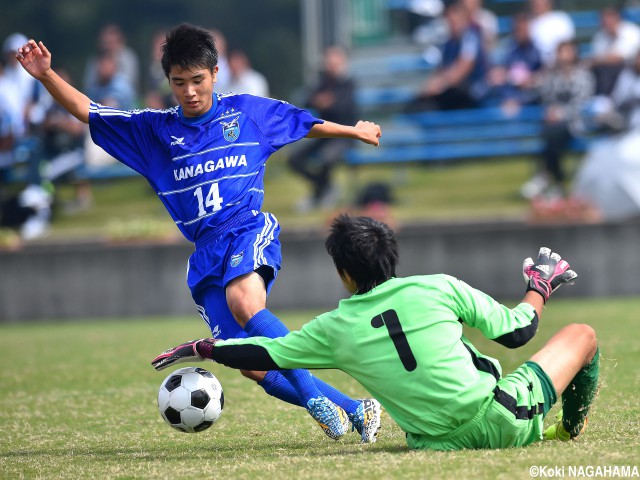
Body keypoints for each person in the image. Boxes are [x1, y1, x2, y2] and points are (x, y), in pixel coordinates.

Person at [16, 23, 382, 441]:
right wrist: (46, 75)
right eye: (178, 83)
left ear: (214, 73)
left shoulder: (246, 113)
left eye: (197, 80)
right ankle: (355, 409)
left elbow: (303, 122)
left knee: (244, 301)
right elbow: (89, 111)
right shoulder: (152, 132)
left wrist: (354, 130)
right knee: (251, 362)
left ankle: (319, 405)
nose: (189, 91)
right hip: (206, 251)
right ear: (167, 81)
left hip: (246, 228)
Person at [152, 214, 599, 450]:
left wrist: (205, 347)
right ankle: (566, 432)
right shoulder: (439, 286)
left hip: (434, 446)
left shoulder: (335, 327)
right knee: (583, 334)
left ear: (344, 273)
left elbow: (265, 354)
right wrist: (539, 285)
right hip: (504, 417)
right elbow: (518, 332)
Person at [521, 41, 594, 200]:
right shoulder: (552, 76)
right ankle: (557, 184)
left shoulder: (583, 75)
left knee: (550, 136)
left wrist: (561, 113)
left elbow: (581, 103)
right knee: (551, 136)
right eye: (561, 52)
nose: (563, 55)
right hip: (554, 126)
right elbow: (545, 97)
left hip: (575, 124)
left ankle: (547, 178)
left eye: (567, 51)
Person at [288, 46, 356, 211]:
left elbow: (344, 109)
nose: (330, 63)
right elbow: (307, 101)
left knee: (325, 159)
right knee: (294, 159)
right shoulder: (322, 82)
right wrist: (320, 101)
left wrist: (328, 103)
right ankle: (325, 188)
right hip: (324, 134)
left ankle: (321, 194)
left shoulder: (348, 83)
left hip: (344, 135)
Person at [406, 0, 488, 112]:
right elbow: (441, 69)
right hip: (453, 91)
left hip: (471, 91)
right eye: (449, 16)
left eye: (455, 15)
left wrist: (440, 84)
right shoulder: (448, 42)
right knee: (418, 105)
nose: (452, 20)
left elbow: (463, 67)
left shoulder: (470, 36)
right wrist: (430, 85)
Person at [588, 7, 640, 96]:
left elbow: (620, 58)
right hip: (605, 73)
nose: (606, 21)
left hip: (630, 72)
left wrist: (602, 59)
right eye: (604, 18)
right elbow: (594, 60)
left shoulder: (632, 31)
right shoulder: (600, 36)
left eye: (609, 17)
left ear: (617, 17)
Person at [528, 0, 575, 67]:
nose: (537, 3)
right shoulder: (528, 24)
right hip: (537, 68)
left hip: (560, 66)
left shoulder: (561, 19)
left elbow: (568, 47)